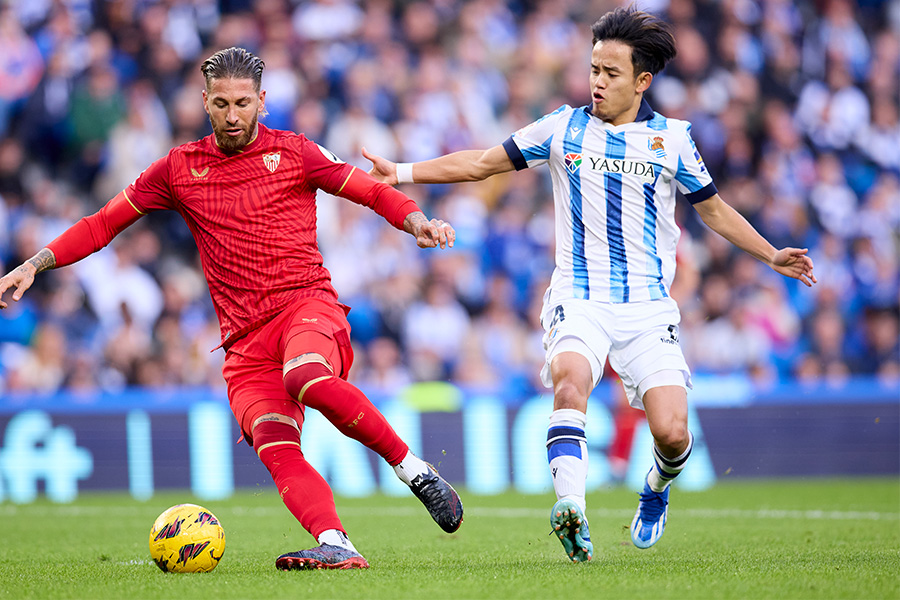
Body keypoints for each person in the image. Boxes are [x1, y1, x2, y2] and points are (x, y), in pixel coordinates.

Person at [364, 7, 816, 563]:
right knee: (570, 381)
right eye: (594, 68)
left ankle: (655, 487)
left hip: (649, 307)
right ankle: (571, 508)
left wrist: (771, 254)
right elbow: (482, 164)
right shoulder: (562, 127)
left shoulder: (672, 141)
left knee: (673, 434)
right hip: (579, 296)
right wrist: (403, 172)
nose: (597, 82)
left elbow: (716, 212)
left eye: (611, 72)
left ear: (642, 80)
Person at [0, 47, 463, 571]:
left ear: (263, 101)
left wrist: (418, 221)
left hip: (304, 306)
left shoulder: (296, 152)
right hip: (243, 342)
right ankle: (337, 543)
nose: (233, 115)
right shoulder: (178, 168)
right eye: (221, 103)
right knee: (276, 443)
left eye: (243, 102)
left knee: (305, 376)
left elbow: (369, 191)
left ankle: (414, 471)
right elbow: (102, 223)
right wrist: (36, 264)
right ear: (204, 102)